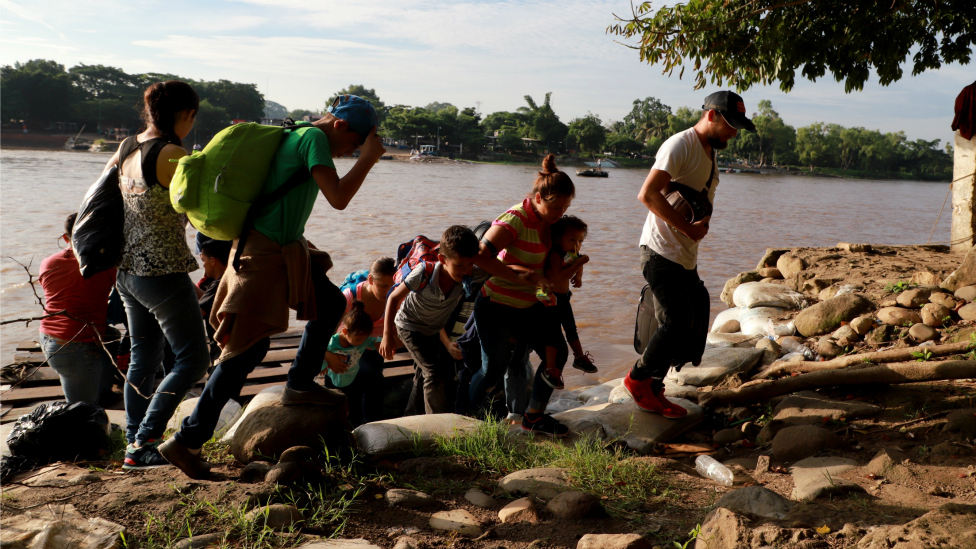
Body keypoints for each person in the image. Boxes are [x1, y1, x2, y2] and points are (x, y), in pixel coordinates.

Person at [160, 94, 386, 479]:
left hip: (284, 248)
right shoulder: (313, 139)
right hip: (263, 254)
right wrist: (369, 159)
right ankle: (186, 440)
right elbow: (339, 198)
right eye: (355, 143)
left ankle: (298, 382)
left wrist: (363, 153)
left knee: (331, 303)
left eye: (357, 150)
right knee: (245, 352)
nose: (352, 151)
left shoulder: (297, 132)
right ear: (341, 126)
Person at [624, 90, 754, 417]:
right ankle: (637, 381)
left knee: (686, 325)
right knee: (676, 322)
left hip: (684, 254)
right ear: (711, 115)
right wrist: (688, 228)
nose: (734, 133)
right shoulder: (680, 144)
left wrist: (692, 233)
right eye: (730, 124)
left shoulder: (709, 151)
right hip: (660, 250)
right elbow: (647, 194)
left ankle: (655, 388)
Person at [105, 81, 211, 470]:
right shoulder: (171, 153)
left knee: (144, 357)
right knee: (193, 359)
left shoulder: (127, 146)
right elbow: (201, 211)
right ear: (187, 115)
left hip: (127, 271)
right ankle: (146, 440)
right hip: (161, 272)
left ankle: (136, 441)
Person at [468, 154, 574, 437]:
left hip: (529, 306)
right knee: (492, 370)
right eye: (556, 206)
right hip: (496, 305)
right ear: (538, 197)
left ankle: (533, 417)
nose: (560, 213)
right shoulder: (516, 218)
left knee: (558, 354)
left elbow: (547, 261)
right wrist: (518, 276)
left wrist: (558, 278)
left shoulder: (548, 222)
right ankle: (462, 417)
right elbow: (480, 257)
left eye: (565, 207)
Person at [379, 225, 499, 415]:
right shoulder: (423, 272)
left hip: (433, 330)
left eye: (471, 264)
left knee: (422, 376)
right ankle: (436, 425)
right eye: (459, 265)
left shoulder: (469, 275)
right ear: (442, 260)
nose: (466, 271)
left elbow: (500, 269)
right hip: (410, 326)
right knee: (433, 373)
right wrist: (387, 335)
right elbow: (393, 297)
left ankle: (410, 417)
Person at [38, 213, 117, 404]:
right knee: (80, 414)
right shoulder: (105, 265)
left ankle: (103, 392)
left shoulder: (48, 262)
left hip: (48, 336)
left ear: (66, 238)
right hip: (75, 347)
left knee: (112, 336)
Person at [338, 257, 396, 425]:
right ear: (370, 280)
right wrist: (328, 357)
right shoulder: (350, 296)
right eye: (384, 286)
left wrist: (394, 341)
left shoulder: (395, 295)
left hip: (374, 350)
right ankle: (363, 427)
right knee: (371, 380)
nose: (389, 292)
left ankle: (373, 428)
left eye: (392, 287)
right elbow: (330, 333)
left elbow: (400, 331)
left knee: (373, 384)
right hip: (348, 349)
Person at [544, 215, 596, 376]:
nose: (577, 245)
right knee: (552, 332)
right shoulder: (555, 255)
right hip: (548, 298)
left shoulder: (573, 255)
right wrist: (579, 265)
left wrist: (579, 275)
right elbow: (559, 277)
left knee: (571, 328)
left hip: (564, 297)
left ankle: (579, 357)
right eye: (572, 240)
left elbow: (577, 265)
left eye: (580, 241)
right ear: (559, 239)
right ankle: (550, 368)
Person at [323, 302, 381, 390]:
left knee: (353, 402)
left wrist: (380, 342)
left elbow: (374, 341)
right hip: (332, 378)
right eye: (358, 339)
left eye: (364, 339)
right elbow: (320, 353)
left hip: (352, 378)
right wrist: (322, 367)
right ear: (345, 332)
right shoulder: (332, 342)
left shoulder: (363, 340)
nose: (361, 342)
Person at [196, 238, 232, 363]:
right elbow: (210, 301)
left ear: (212, 261)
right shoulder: (233, 278)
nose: (203, 265)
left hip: (223, 349)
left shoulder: (217, 286)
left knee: (214, 383)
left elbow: (196, 315)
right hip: (239, 344)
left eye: (203, 260)